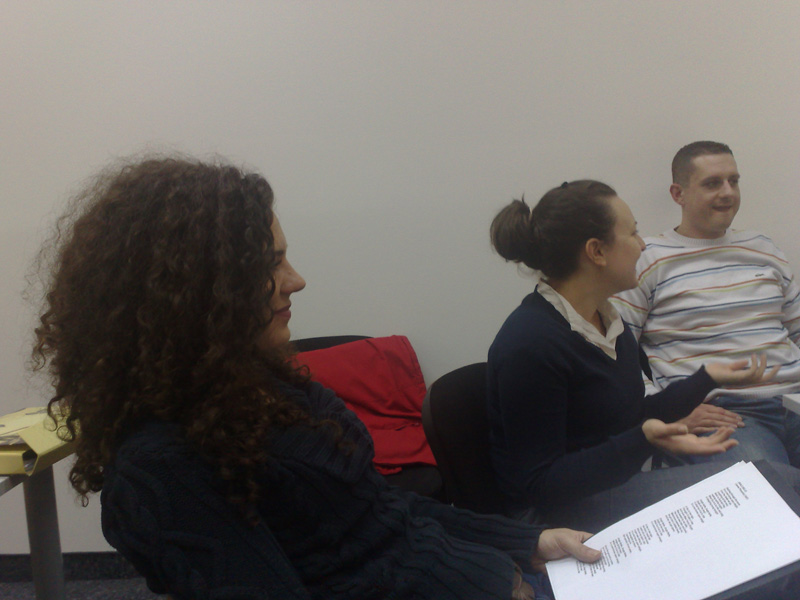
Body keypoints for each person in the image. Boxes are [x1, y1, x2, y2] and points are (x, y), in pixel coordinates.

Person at [32, 156, 602, 600]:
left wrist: (527, 542)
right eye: (269, 265)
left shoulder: (265, 388)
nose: (296, 280)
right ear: (191, 293)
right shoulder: (161, 469)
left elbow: (379, 513)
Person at [487, 180, 797, 531]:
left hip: (612, 481)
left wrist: (706, 378)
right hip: (560, 515)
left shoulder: (606, 320)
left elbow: (629, 417)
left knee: (781, 484)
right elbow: (543, 484)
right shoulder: (531, 343)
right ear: (597, 252)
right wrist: (643, 439)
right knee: (771, 494)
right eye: (632, 233)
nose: (642, 244)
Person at [613, 141, 800, 467]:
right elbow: (615, 353)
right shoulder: (648, 258)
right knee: (769, 489)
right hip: (727, 415)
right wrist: (664, 408)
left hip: (794, 400)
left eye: (733, 181)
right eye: (713, 183)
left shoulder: (763, 247)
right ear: (678, 194)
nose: (728, 193)